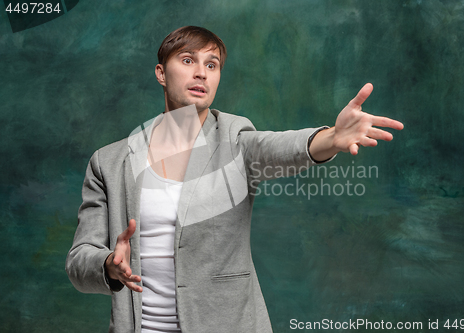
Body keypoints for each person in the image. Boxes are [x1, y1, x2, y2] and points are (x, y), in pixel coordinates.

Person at [66, 26, 404, 333]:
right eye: (187, 60)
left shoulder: (236, 140)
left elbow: (277, 148)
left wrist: (330, 138)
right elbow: (80, 261)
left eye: (212, 65)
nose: (201, 72)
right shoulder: (109, 162)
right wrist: (109, 265)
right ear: (161, 74)